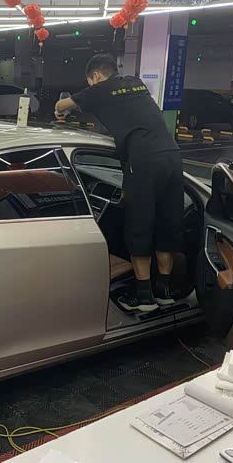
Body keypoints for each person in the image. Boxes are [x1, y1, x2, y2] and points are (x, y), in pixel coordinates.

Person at [55, 54, 183, 313]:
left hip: (143, 161)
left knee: (139, 226)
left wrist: (61, 110)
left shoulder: (99, 89)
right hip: (172, 157)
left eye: (90, 81)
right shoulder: (136, 83)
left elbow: (61, 105)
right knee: (167, 226)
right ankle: (164, 292)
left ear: (96, 76)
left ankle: (144, 297)